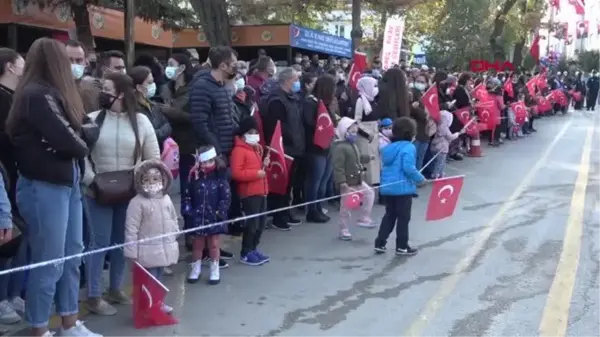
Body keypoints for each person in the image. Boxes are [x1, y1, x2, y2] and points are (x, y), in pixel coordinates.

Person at [6, 37, 101, 337]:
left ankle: (69, 324)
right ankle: (39, 328)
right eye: (68, 60)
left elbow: (86, 130)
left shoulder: (60, 94)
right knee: (50, 263)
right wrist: (73, 137)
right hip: (43, 187)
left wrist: (73, 137)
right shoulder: (36, 95)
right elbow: (73, 142)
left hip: (67, 183)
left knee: (72, 256)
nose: (74, 65)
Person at [83, 72, 160, 316]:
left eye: (107, 89)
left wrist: (139, 176)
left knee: (121, 242)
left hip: (129, 192)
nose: (102, 94)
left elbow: (153, 158)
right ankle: (94, 295)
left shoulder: (142, 122)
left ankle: (115, 288)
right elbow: (81, 154)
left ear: (121, 94)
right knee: (99, 243)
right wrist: (91, 180)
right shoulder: (92, 119)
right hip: (97, 192)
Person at [124, 159, 179, 314]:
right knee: (149, 281)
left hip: (163, 248)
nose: (152, 182)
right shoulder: (137, 203)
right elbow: (131, 229)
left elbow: (173, 218)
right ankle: (149, 307)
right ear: (140, 182)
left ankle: (157, 304)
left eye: (156, 179)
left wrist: (174, 234)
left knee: (159, 279)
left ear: (163, 179)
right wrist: (131, 252)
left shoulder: (166, 199)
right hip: (146, 252)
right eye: (147, 179)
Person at [375, 117, 427, 256]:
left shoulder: (388, 148)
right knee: (403, 218)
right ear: (410, 134)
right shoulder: (409, 147)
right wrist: (420, 179)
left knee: (389, 216)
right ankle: (402, 246)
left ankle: (380, 243)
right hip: (403, 189)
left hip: (388, 188)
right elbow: (408, 168)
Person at [263, 67, 305, 230]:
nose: (297, 83)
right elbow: (277, 127)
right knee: (281, 184)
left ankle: (285, 213)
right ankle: (278, 216)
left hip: (294, 147)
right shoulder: (276, 101)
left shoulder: (291, 98)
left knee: (290, 185)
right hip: (284, 149)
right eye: (295, 79)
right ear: (287, 80)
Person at [183, 146, 231, 284]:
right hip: (197, 217)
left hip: (214, 217)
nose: (206, 165)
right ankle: (195, 268)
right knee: (197, 245)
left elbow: (225, 197)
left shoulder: (221, 177)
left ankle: (215, 269)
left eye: (209, 162)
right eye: (203, 162)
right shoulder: (193, 177)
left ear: (215, 161)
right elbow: (187, 196)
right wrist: (188, 211)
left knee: (214, 244)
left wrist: (221, 212)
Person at [230, 117, 270, 266]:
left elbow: (259, 169)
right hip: (249, 193)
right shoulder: (239, 151)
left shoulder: (255, 149)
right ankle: (246, 252)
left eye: (255, 131)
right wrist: (256, 174)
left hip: (261, 191)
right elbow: (236, 173)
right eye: (251, 132)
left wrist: (264, 165)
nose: (254, 134)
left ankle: (253, 248)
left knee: (260, 224)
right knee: (252, 224)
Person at [190, 46, 239, 159]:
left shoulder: (224, 86)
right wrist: (217, 151)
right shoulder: (202, 86)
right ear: (222, 66)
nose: (236, 68)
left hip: (228, 149)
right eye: (234, 65)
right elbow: (200, 123)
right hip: (214, 155)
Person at [331, 117, 375, 240]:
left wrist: (367, 158)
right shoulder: (340, 147)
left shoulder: (352, 145)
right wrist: (342, 182)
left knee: (369, 193)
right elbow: (338, 167)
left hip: (358, 179)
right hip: (348, 183)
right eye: (352, 131)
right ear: (344, 131)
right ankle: (343, 229)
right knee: (346, 207)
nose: (354, 134)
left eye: (355, 132)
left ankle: (364, 217)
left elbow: (358, 158)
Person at [303, 74, 337, 223]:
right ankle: (311, 210)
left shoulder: (326, 104)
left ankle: (319, 206)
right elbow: (309, 123)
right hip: (315, 147)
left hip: (327, 147)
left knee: (323, 181)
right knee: (315, 181)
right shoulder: (310, 103)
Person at [129, 66, 172, 148]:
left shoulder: (153, 105)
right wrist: (162, 132)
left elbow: (168, 125)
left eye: (153, 82)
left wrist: (160, 132)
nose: (153, 85)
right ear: (139, 87)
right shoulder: (133, 109)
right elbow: (146, 135)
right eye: (149, 83)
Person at [354, 76, 380, 186]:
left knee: (374, 162)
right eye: (374, 86)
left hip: (374, 134)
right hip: (365, 136)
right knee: (366, 163)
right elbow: (357, 120)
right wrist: (366, 133)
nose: (376, 88)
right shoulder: (360, 101)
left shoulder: (373, 101)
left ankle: (373, 188)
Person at [431, 110, 462, 179]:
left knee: (437, 162)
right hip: (442, 147)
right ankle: (436, 174)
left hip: (434, 146)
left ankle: (440, 173)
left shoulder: (437, 125)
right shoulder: (444, 128)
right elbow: (450, 136)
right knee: (441, 162)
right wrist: (457, 134)